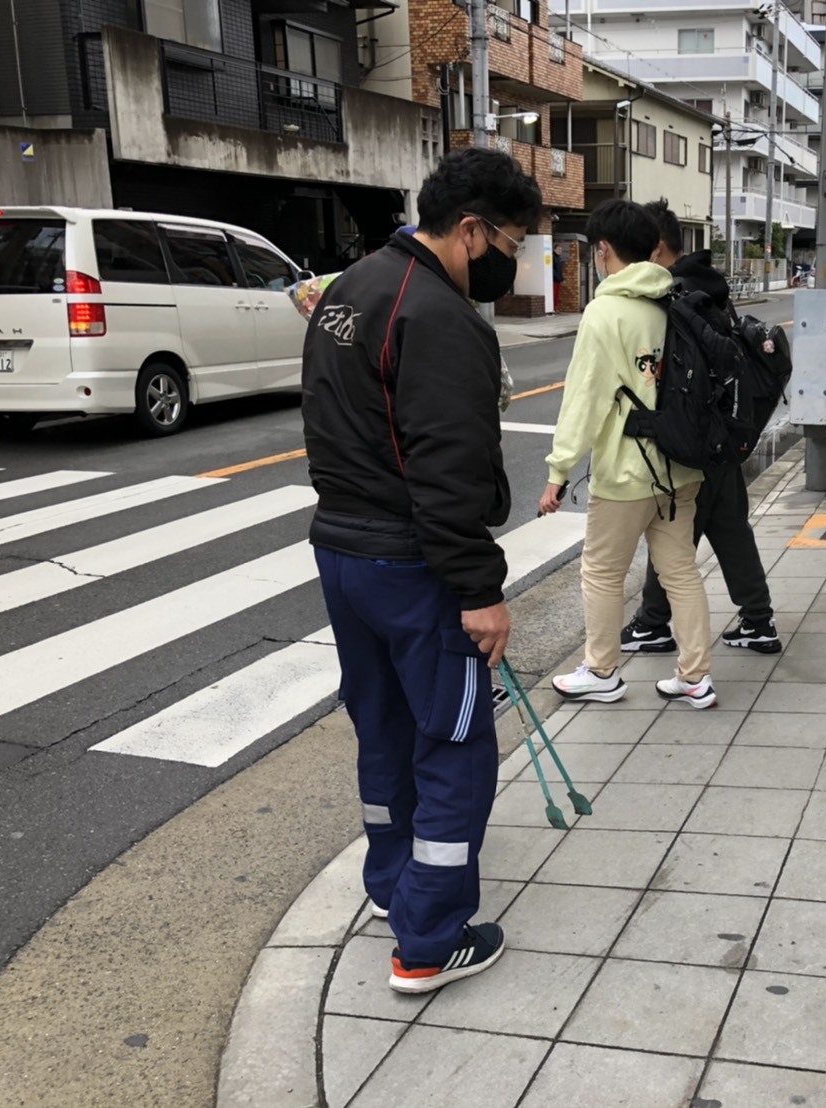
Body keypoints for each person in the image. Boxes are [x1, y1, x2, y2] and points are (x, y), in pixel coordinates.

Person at [301, 147, 541, 995]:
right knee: (454, 740)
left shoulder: (350, 289)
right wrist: (479, 591)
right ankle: (430, 937)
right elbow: (448, 470)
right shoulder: (441, 318)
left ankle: (391, 886)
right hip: (413, 563)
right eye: (515, 240)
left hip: (341, 549)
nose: (518, 260)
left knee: (385, 728)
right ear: (472, 230)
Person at [540, 199, 715, 708]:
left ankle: (601, 671)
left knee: (601, 571)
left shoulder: (605, 312)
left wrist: (558, 472)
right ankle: (695, 677)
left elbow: (585, 399)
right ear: (652, 247)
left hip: (627, 472)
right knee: (680, 570)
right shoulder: (677, 300)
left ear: (603, 250)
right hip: (681, 464)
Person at [621, 198, 781, 657]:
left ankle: (653, 623)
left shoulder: (678, 297)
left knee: (672, 534)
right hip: (726, 434)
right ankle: (758, 620)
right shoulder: (712, 289)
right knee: (730, 529)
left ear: (653, 250)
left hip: (696, 440)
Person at [552, 243, 566, 312]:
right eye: (558, 249)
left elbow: (560, 270)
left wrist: (562, 279)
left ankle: (556, 308)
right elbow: (553, 270)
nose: (560, 251)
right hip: (554, 280)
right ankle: (554, 308)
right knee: (554, 295)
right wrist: (557, 277)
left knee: (557, 295)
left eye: (561, 249)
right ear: (554, 250)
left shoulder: (559, 258)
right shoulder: (553, 257)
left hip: (558, 280)